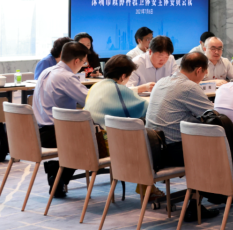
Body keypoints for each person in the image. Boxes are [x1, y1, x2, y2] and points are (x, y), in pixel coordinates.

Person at [144, 52, 218, 220]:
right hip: (171, 151)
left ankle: (208, 194)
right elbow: (213, 115)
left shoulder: (162, 81)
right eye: (204, 73)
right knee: (213, 151)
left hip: (152, 147)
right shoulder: (189, 87)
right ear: (199, 70)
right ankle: (198, 203)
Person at [32, 41, 90, 197]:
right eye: (84, 63)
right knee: (93, 140)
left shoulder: (47, 71)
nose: (83, 66)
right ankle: (59, 175)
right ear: (76, 61)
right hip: (55, 133)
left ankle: (56, 173)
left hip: (38, 131)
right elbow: (89, 100)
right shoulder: (66, 77)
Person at [85, 55, 148, 126]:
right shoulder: (121, 90)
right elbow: (147, 108)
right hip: (108, 131)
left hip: (89, 129)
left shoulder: (95, 86)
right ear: (123, 76)